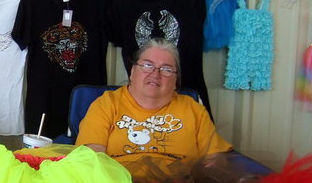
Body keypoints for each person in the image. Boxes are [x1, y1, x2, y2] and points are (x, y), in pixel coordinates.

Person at [75, 38, 231, 169]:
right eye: (147, 65)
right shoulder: (106, 104)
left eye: (166, 69)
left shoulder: (194, 110)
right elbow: (91, 159)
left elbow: (214, 160)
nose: (155, 74)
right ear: (132, 72)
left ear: (175, 80)